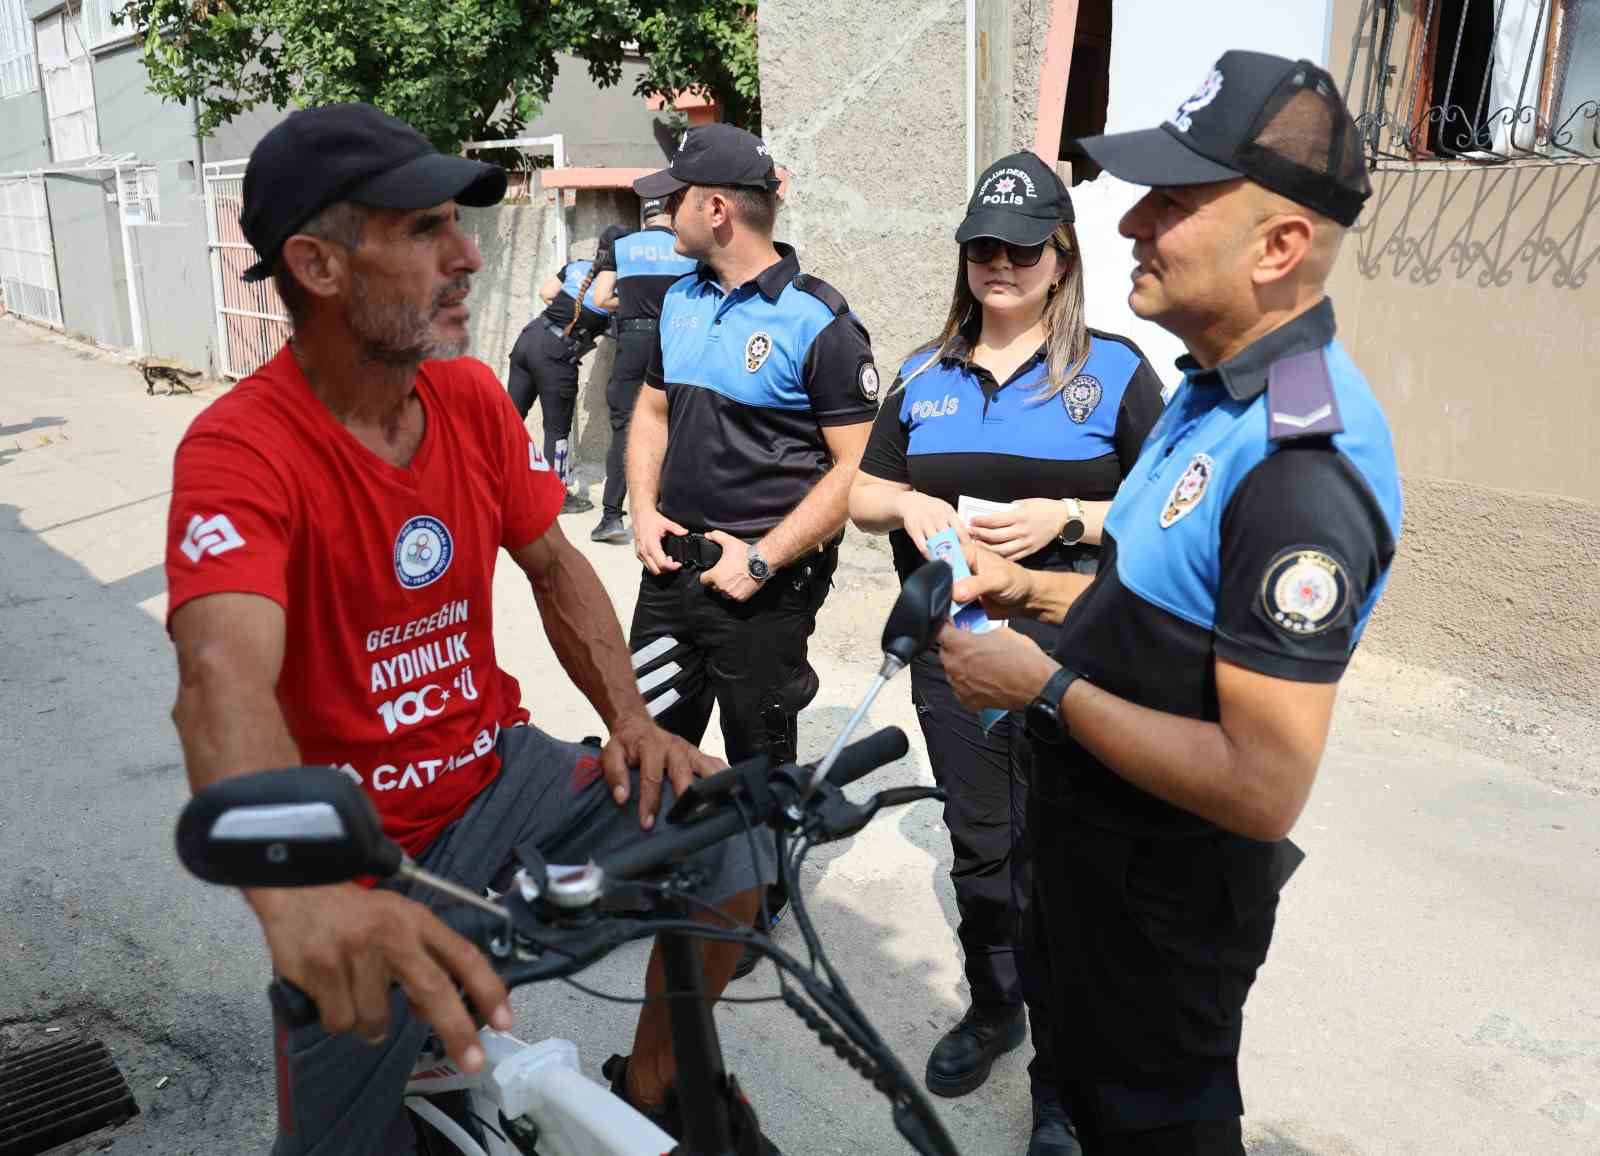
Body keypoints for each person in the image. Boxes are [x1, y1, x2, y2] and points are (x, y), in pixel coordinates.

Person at [163, 104, 776, 1155]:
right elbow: (221, 681)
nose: (466, 256)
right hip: (355, 841)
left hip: (494, 770)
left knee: (734, 840)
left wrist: (628, 717)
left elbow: (553, 562)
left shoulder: (469, 398)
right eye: (422, 230)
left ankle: (659, 1077)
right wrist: (300, 899)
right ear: (315, 264)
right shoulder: (240, 451)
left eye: (459, 222)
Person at [937, 53, 1402, 1155]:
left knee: (1157, 1121)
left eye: (1176, 201)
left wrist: (1042, 681)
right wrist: (1039, 588)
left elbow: (1261, 782)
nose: (1134, 222)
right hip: (1094, 859)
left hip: (1163, 902)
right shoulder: (1208, 386)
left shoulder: (1300, 463)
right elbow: (1164, 601)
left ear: (1278, 245)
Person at [849, 151, 1165, 1156]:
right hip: (958, 649)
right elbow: (860, 492)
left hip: (1081, 646)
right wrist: (903, 499)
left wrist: (1067, 512)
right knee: (982, 844)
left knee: (1064, 859)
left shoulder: (1112, 371)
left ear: (1059, 258)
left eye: (1021, 248)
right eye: (983, 245)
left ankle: (1061, 1082)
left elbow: (1169, 513)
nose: (1001, 263)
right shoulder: (921, 371)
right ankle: (994, 1005)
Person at [625, 124, 879, 970]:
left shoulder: (820, 323)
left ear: (718, 208)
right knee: (650, 728)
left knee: (757, 749)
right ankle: (659, 877)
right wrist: (640, 505)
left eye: (674, 200)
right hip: (672, 567)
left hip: (763, 587)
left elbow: (855, 469)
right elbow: (652, 412)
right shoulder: (679, 299)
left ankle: (757, 898)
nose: (663, 213)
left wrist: (763, 557)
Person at [586, 197, 699, 544]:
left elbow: (600, 298)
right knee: (675, 424)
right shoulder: (686, 249)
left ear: (645, 215)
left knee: (624, 426)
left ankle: (610, 517)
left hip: (632, 340)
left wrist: (632, 303)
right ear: (670, 211)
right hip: (674, 338)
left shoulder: (622, 246)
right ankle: (670, 512)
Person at [506, 224, 627, 513]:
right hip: (556, 353)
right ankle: (556, 497)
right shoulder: (616, 287)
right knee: (557, 430)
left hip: (528, 338)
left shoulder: (577, 266)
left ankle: (490, 481)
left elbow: (545, 292)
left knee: (509, 419)